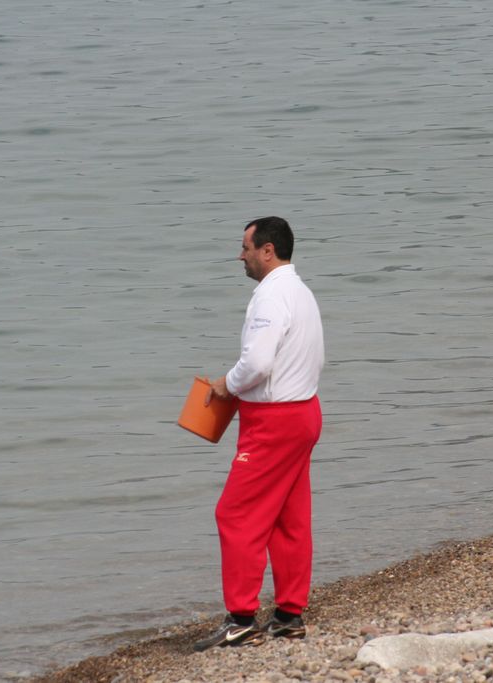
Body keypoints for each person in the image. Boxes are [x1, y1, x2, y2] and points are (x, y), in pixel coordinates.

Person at [193, 216, 325, 652]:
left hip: (274, 422)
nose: (241, 256)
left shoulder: (270, 296)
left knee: (235, 515)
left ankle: (241, 620)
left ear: (268, 250)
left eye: (246, 248)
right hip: (304, 412)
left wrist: (225, 384)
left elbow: (258, 363)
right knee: (289, 518)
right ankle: (289, 615)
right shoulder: (301, 292)